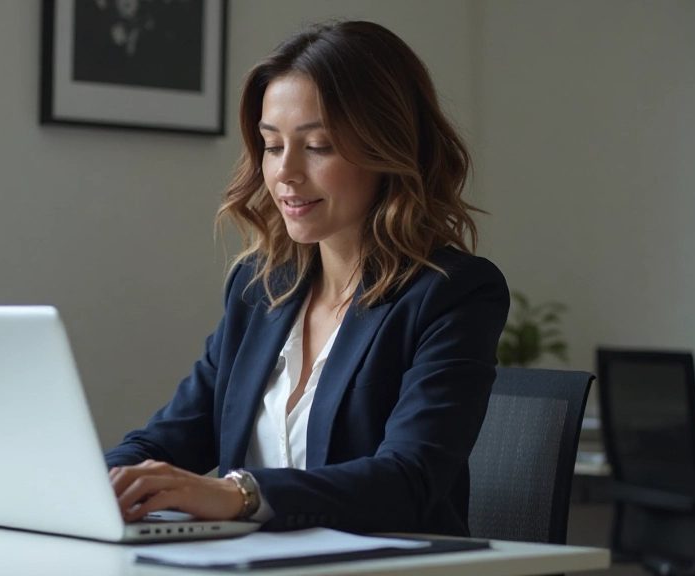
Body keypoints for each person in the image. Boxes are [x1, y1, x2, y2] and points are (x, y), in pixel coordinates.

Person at [105, 20, 509, 536]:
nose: (285, 173)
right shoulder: (261, 287)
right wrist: (97, 482)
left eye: (317, 146)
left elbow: (408, 480)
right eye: (272, 146)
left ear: (389, 150)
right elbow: (168, 437)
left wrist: (238, 494)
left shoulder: (452, 292)